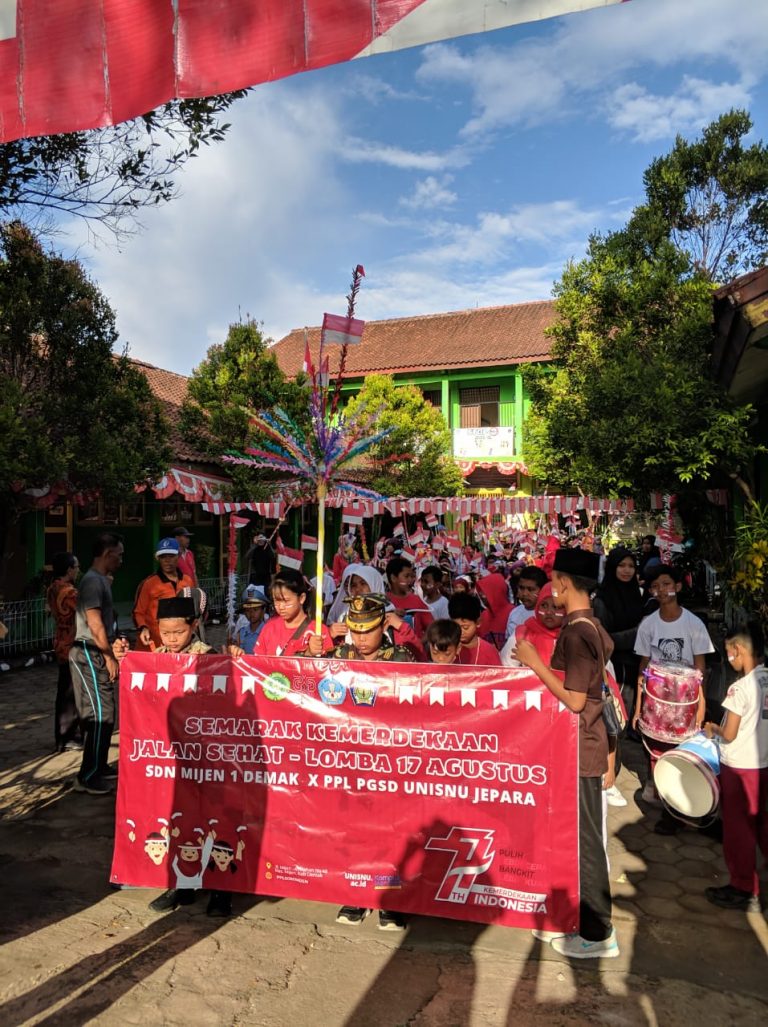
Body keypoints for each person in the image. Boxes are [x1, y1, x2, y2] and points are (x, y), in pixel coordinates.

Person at [514, 547, 619, 959]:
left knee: (587, 843)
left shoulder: (577, 632)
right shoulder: (590, 623)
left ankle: (598, 932)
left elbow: (575, 701)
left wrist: (534, 663)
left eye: (553, 581)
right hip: (578, 745)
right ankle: (579, 919)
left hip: (583, 746)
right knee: (577, 838)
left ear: (562, 583)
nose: (549, 589)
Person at [332, 594, 413, 931]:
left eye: (367, 631)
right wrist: (310, 654)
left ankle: (388, 899)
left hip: (390, 760)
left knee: (390, 831)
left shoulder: (402, 658)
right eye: (355, 631)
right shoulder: (340, 654)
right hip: (351, 759)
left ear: (382, 626)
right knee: (355, 830)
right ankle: (356, 894)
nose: (361, 639)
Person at [632, 564, 713, 820]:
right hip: (655, 702)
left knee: (681, 753)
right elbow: (642, 668)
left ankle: (677, 809)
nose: (661, 590)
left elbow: (700, 668)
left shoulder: (694, 624)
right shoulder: (648, 625)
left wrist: (701, 706)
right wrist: (637, 708)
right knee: (654, 749)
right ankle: (659, 792)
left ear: (677, 587)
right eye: (656, 586)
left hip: (685, 703)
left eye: (667, 584)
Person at [703, 623, 768, 912]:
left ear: (738, 650)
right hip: (764, 765)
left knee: (738, 829)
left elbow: (728, 733)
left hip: (741, 768)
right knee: (763, 824)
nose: (729, 658)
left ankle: (744, 887)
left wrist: (711, 728)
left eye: (729, 652)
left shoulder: (739, 688)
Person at [68, 532, 124, 796]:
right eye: (119, 555)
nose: (121, 560)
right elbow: (94, 624)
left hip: (97, 652)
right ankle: (87, 776)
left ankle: (99, 767)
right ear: (106, 554)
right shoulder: (92, 582)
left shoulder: (101, 580)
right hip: (89, 652)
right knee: (100, 716)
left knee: (107, 714)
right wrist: (109, 655)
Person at [328, 563, 425, 659]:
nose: (358, 589)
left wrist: (402, 627)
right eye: (353, 585)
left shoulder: (393, 621)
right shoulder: (345, 618)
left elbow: (418, 657)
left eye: (363, 583)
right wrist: (330, 635)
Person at [593, 547, 644, 715]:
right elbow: (604, 639)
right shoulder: (602, 599)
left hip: (638, 661)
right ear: (612, 567)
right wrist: (639, 633)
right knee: (618, 712)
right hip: (615, 666)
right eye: (621, 565)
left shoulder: (636, 593)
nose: (627, 570)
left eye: (631, 566)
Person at [47, 551, 82, 752]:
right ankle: (68, 736)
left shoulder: (53, 588)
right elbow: (85, 609)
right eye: (76, 567)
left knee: (65, 691)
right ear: (69, 569)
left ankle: (63, 735)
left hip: (60, 640)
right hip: (71, 642)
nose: (78, 571)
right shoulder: (69, 592)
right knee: (70, 692)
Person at [133, 538, 195, 651]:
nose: (167, 560)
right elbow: (138, 612)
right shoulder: (149, 583)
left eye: (171, 556)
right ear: (158, 559)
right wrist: (143, 628)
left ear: (179, 556)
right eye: (163, 557)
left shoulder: (187, 581)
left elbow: (192, 612)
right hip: (154, 643)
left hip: (180, 644)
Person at [254, 569, 332, 657]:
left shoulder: (319, 632)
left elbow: (328, 667)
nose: (281, 607)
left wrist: (311, 653)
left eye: (286, 601)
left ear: (302, 598)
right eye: (276, 601)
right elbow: (258, 664)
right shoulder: (269, 628)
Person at [500, 582, 563, 667]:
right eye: (544, 605)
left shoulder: (571, 636)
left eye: (555, 607)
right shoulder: (522, 633)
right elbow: (506, 668)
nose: (548, 612)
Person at [385, 557, 433, 640]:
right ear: (393, 578)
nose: (410, 580)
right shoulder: (383, 601)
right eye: (406, 576)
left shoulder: (417, 600)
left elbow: (432, 628)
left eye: (412, 576)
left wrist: (419, 644)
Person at [448, 592, 502, 667]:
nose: (460, 632)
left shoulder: (489, 651)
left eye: (465, 627)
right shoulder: (447, 648)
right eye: (456, 627)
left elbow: (499, 676)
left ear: (478, 622)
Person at [504, 566, 548, 641]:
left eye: (531, 589)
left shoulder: (548, 616)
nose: (524, 594)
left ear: (542, 590)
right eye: (521, 588)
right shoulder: (514, 612)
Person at [476, 571, 514, 650]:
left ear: (496, 590)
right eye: (480, 593)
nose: (482, 596)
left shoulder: (513, 613)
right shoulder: (483, 615)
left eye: (485, 592)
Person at [229, 585, 270, 655]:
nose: (251, 613)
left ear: (263, 610)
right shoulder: (241, 632)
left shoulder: (268, 632)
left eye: (255, 609)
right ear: (244, 613)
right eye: (248, 610)